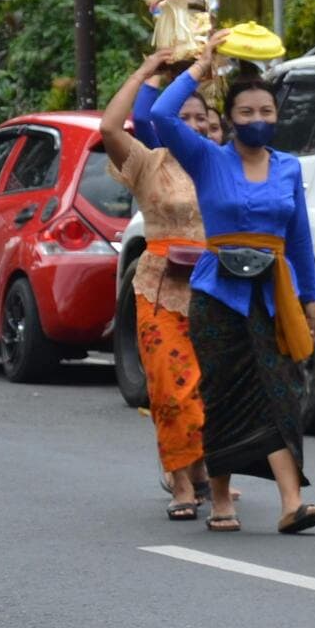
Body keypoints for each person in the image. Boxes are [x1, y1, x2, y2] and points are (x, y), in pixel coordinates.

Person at [150, 35, 315, 534]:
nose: (257, 119)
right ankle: (222, 499)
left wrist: (311, 298)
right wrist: (199, 70)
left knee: (282, 390)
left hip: (276, 293)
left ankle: (292, 503)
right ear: (229, 119)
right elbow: (162, 117)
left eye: (266, 110)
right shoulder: (208, 158)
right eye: (246, 111)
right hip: (216, 292)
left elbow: (299, 240)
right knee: (223, 391)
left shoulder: (289, 167)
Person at [100, 48, 219, 523]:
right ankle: (183, 481)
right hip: (160, 287)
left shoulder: (223, 165)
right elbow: (110, 128)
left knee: (210, 389)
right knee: (170, 389)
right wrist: (147, 70)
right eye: (181, 115)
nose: (192, 124)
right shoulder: (150, 163)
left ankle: (206, 465)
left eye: (201, 118)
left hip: (216, 289)